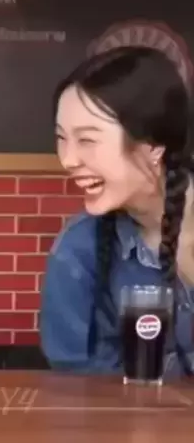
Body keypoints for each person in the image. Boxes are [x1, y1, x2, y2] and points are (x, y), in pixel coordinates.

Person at [39, 46, 194, 377]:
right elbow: (81, 387)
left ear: (152, 147)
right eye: (61, 138)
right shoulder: (77, 251)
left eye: (87, 140)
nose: (67, 160)